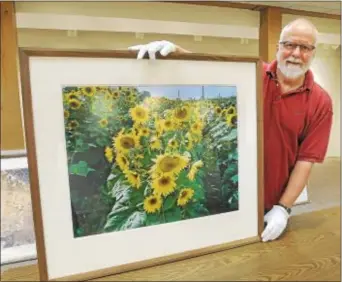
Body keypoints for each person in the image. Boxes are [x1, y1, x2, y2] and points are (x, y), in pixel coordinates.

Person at [128, 18, 333, 242]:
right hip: (232, 199)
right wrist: (176, 52)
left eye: (304, 47)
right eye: (289, 45)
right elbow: (215, 70)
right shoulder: (251, 76)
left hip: (272, 203)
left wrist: (283, 208)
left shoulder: (321, 101)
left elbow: (306, 160)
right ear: (278, 47)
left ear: (313, 53)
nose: (295, 53)